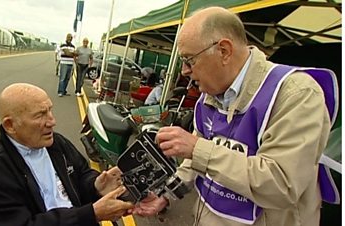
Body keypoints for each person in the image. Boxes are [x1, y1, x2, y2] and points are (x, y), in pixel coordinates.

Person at [133, 7, 339, 226]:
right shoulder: (208, 97)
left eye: (189, 60)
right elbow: (194, 162)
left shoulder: (296, 94)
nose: (184, 71)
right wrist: (166, 196)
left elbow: (281, 184)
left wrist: (197, 148)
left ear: (223, 51)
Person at [0, 83, 134, 226]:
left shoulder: (55, 143)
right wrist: (91, 214)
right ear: (10, 125)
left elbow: (81, 174)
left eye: (50, 111)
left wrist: (96, 185)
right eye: (40, 115)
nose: (52, 121)